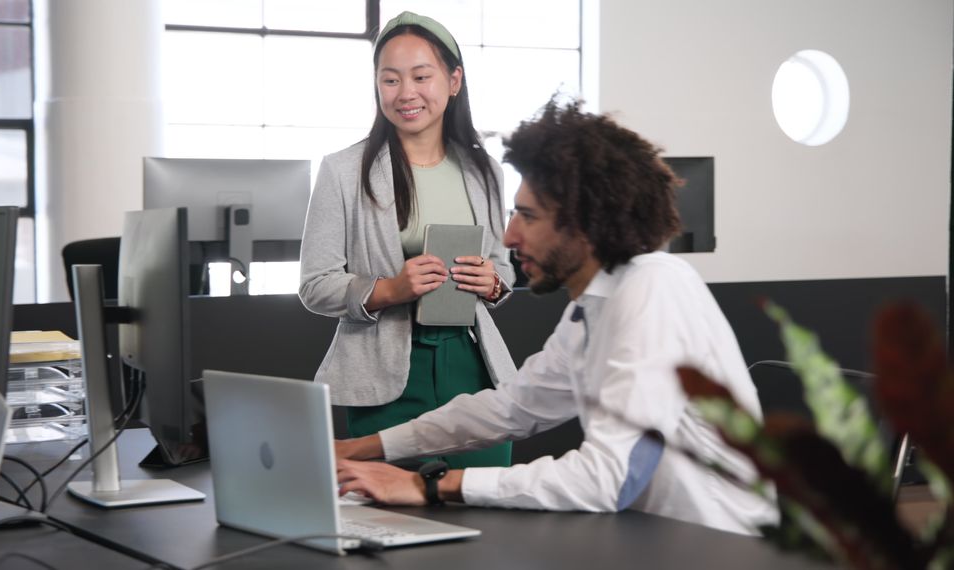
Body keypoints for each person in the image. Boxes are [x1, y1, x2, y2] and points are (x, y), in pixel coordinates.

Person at [332, 99, 779, 536]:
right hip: (655, 538)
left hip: (722, 547)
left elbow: (609, 478)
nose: (509, 236)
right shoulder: (593, 305)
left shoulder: (654, 287)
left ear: (585, 225)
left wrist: (429, 485)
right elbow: (511, 408)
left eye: (528, 217)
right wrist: (359, 448)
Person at [298, 12, 516, 469]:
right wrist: (389, 289)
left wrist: (493, 282)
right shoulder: (343, 171)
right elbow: (315, 285)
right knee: (388, 505)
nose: (405, 93)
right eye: (390, 79)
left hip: (473, 366)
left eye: (421, 76)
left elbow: (503, 267)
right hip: (384, 373)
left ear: (454, 81)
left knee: (485, 501)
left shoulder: (485, 171)